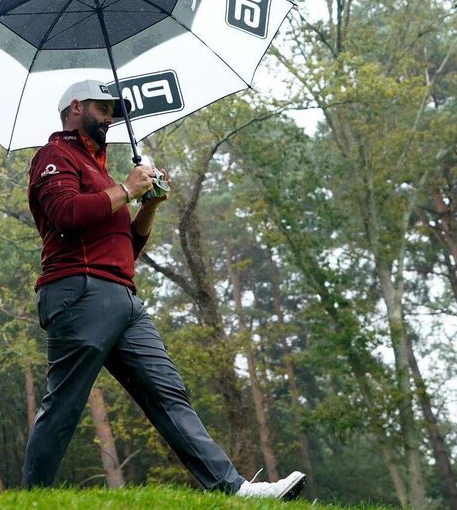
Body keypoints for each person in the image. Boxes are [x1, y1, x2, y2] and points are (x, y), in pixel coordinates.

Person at [22, 79, 307, 500]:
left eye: (114, 111)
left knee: (169, 393)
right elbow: (65, 214)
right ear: (76, 107)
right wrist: (127, 189)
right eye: (104, 109)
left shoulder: (99, 170)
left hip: (123, 297)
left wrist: (148, 205)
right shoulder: (54, 156)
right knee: (64, 404)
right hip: (78, 293)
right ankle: (31, 499)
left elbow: (127, 247)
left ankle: (235, 489)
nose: (111, 117)